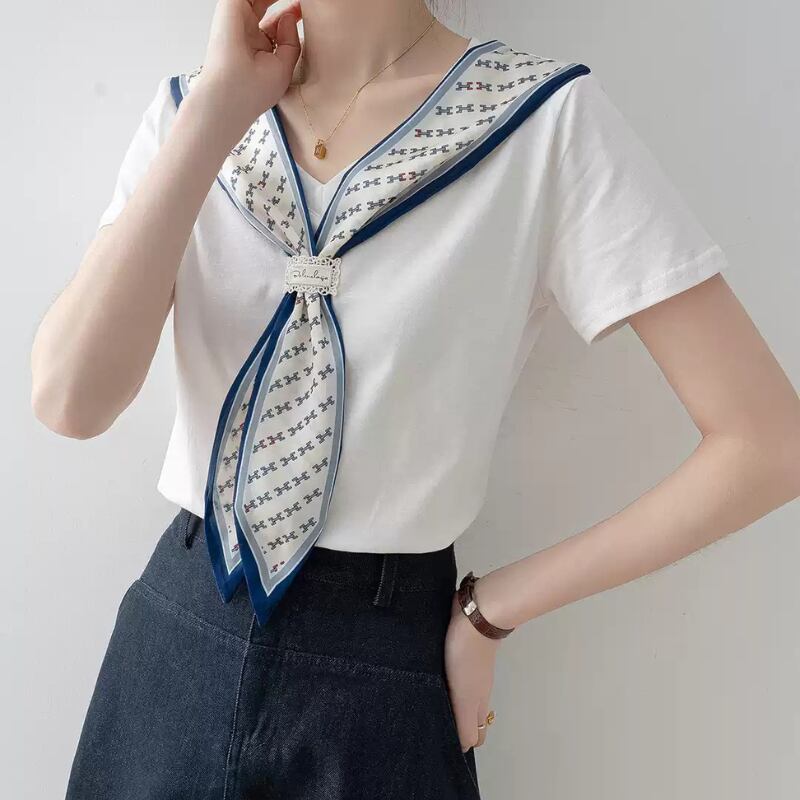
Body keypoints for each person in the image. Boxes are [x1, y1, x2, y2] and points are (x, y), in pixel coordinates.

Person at [30, 1, 800, 798]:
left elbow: (768, 443)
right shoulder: (193, 110)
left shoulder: (542, 121)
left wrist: (492, 609)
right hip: (175, 644)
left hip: (385, 671)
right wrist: (217, 111)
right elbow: (70, 401)